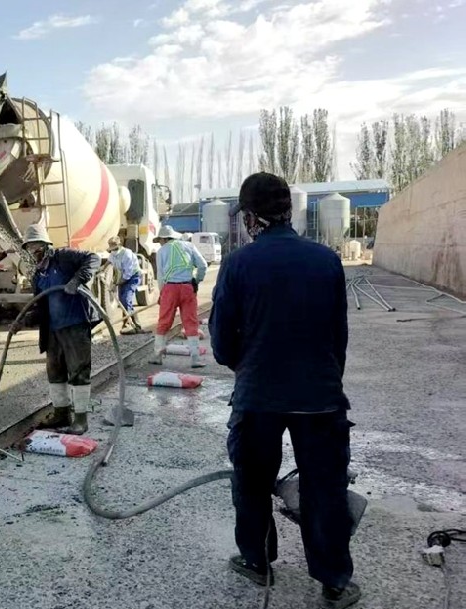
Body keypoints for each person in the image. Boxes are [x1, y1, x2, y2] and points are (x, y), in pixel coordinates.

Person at [210, 172, 360, 608]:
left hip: (258, 397)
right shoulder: (326, 260)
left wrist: (250, 369)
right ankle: (334, 580)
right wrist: (323, 381)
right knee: (325, 487)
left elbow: (221, 343)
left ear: (251, 218)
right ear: (289, 213)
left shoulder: (238, 263)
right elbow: (339, 337)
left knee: (252, 481)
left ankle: (257, 561)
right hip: (320, 396)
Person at [13, 223, 101, 435]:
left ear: (45, 245)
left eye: (36, 246)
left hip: (75, 324)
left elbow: (94, 259)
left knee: (79, 371)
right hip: (53, 330)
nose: (34, 252)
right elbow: (40, 308)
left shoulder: (63, 257)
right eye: (29, 248)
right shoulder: (38, 276)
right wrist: (23, 320)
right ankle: (61, 414)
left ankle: (81, 419)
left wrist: (76, 281)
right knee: (55, 371)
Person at [148, 225, 208, 368]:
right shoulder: (189, 246)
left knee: (164, 322)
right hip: (187, 287)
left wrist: (162, 293)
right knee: (191, 321)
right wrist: (197, 280)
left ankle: (157, 356)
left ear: (163, 239)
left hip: (170, 289)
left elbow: (161, 276)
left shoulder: (161, 251)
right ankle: (195, 358)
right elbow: (203, 265)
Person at [105, 236, 143, 335]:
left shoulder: (127, 254)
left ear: (119, 245)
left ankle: (131, 325)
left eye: (115, 249)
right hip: (123, 277)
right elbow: (109, 261)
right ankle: (133, 325)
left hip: (132, 277)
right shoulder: (113, 254)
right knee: (123, 301)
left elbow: (128, 274)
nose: (113, 251)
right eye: (111, 249)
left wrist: (115, 284)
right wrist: (102, 269)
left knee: (126, 299)